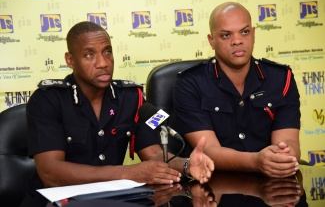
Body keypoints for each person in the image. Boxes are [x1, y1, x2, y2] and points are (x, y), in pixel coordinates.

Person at [21, 21, 214, 206]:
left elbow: (153, 155)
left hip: (109, 201)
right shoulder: (47, 99)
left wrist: (187, 165)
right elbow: (50, 173)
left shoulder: (130, 97)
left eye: (107, 52)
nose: (103, 63)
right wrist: (126, 173)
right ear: (70, 60)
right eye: (89, 55)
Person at [173, 2, 301, 178]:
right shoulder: (190, 83)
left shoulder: (281, 78)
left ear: (254, 34)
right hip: (214, 188)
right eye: (226, 35)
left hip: (271, 182)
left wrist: (285, 156)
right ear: (212, 41)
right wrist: (256, 161)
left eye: (245, 32)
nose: (237, 40)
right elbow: (208, 150)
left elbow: (289, 140)